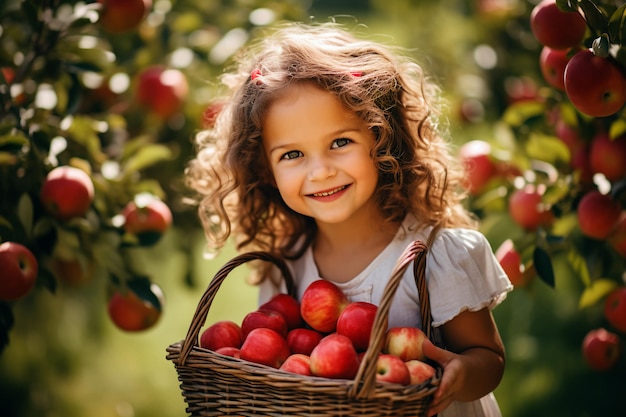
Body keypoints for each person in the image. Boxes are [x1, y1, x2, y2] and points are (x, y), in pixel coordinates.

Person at [185, 21, 513, 417]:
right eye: (292, 155)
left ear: (381, 138)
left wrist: (462, 372)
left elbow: (488, 358)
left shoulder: (435, 257)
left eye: (340, 142)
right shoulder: (286, 264)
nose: (320, 171)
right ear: (265, 170)